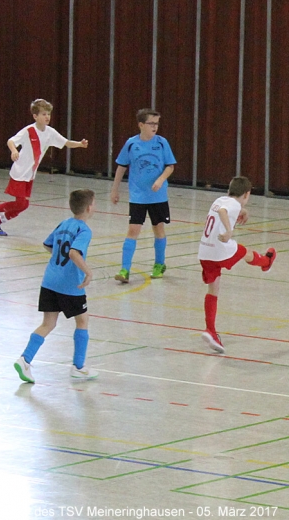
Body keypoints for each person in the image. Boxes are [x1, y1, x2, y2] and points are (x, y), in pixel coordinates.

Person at [14, 189, 99, 383]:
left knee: (48, 324)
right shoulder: (84, 230)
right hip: (70, 285)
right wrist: (88, 272)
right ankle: (79, 367)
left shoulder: (64, 224)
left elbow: (47, 244)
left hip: (50, 281)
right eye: (94, 203)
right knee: (82, 321)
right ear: (88, 207)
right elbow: (73, 253)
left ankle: (25, 359)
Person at [0, 99, 88, 236]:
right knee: (20, 204)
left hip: (30, 174)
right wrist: (14, 150)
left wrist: (80, 144)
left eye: (48, 114)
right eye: (43, 114)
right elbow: (11, 141)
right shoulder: (29, 131)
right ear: (35, 116)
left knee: (23, 205)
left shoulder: (50, 132)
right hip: (19, 173)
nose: (47, 117)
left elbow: (66, 142)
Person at [198, 176, 276, 353]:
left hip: (205, 251)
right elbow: (224, 212)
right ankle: (266, 262)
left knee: (213, 290)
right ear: (247, 194)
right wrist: (229, 230)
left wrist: (242, 210)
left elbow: (223, 208)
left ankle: (210, 330)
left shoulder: (220, 200)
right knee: (245, 253)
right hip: (220, 249)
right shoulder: (231, 205)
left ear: (229, 190)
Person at [110, 108, 177, 283]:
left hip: (158, 197)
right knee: (133, 230)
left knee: (158, 229)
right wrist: (115, 189)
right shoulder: (131, 144)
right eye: (151, 123)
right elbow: (121, 166)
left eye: (157, 123)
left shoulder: (162, 143)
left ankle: (159, 264)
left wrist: (161, 180)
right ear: (141, 125)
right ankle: (125, 269)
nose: (155, 127)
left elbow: (170, 166)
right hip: (138, 196)